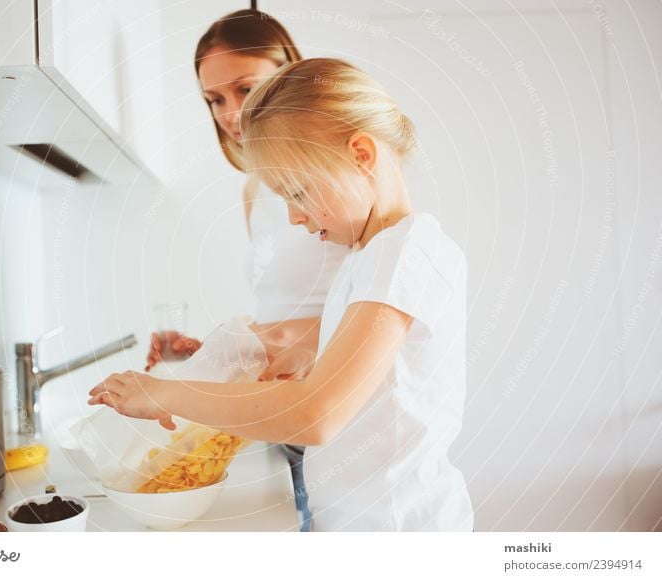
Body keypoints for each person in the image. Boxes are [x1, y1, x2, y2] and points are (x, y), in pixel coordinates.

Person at [90, 58, 474, 531]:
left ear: (361, 154)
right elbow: (361, 347)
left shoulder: (402, 254)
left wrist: (169, 393)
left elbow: (318, 414)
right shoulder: (371, 254)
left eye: (298, 191)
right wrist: (283, 346)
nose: (294, 217)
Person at [143, 10, 349, 532]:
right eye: (215, 100)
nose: (232, 113)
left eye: (245, 88)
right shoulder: (255, 193)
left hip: (338, 413)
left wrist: (242, 347)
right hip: (285, 410)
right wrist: (214, 352)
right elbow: (286, 305)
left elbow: (371, 312)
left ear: (289, 73)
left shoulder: (336, 183)